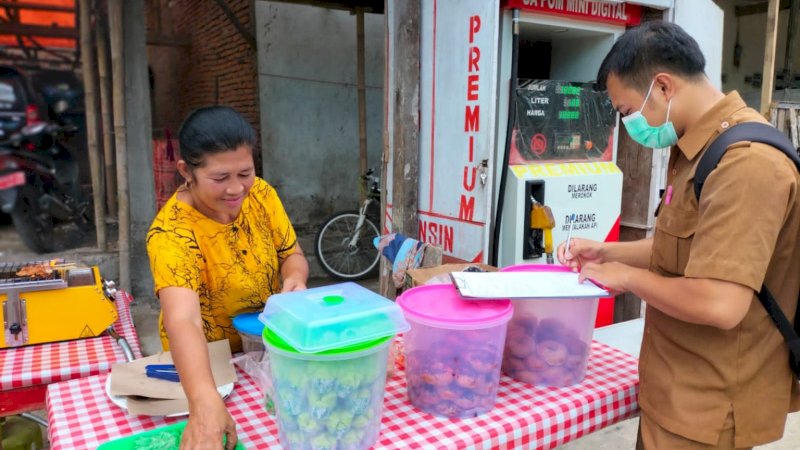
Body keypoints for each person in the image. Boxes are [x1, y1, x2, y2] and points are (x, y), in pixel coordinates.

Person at [557, 21, 800, 450]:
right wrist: (606, 251)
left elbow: (720, 301)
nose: (629, 124)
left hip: (705, 407)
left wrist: (626, 278)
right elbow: (685, 249)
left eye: (627, 111)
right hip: (674, 387)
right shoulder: (699, 149)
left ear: (664, 87)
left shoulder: (746, 165)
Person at [147, 106, 309, 450]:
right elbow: (183, 319)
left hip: (265, 352)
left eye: (245, 173)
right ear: (186, 172)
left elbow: (290, 254)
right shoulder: (171, 232)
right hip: (205, 371)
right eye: (220, 178)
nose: (236, 189)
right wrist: (204, 400)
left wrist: (295, 279)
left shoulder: (261, 195)